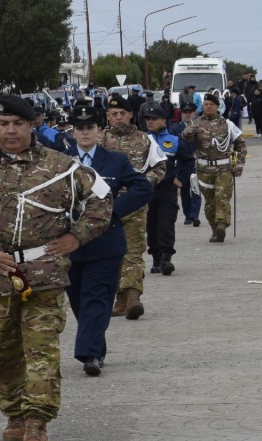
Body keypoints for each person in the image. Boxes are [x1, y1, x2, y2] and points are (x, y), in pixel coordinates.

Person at [0, 95, 112, 441]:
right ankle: (15, 411)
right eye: (3, 124)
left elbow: (102, 201)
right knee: (2, 351)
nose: (10, 131)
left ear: (32, 125)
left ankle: (38, 420)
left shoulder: (62, 166)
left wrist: (76, 237)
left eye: (18, 124)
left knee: (41, 349)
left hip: (44, 276)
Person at [63, 103, 153, 376]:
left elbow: (143, 188)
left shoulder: (115, 160)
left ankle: (90, 354)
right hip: (70, 243)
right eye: (80, 128)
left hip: (105, 243)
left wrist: (112, 212)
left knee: (97, 298)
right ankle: (96, 348)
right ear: (73, 132)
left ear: (99, 130)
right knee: (79, 302)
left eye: (90, 127)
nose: (85, 132)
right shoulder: (59, 161)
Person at [101, 92, 166, 319]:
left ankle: (132, 298)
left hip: (134, 205)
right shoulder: (100, 141)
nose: (118, 117)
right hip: (105, 206)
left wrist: (142, 185)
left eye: (122, 113)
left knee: (134, 252)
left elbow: (160, 167)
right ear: (108, 116)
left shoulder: (145, 139)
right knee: (112, 255)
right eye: (114, 114)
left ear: (130, 115)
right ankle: (120, 299)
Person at [180, 93, 246, 242]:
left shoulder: (227, 124)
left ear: (217, 106)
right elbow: (184, 137)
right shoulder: (197, 124)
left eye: (211, 104)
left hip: (223, 168)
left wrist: (239, 164)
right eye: (206, 104)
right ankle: (215, 230)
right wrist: (190, 131)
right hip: (204, 170)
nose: (208, 107)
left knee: (222, 197)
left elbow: (240, 144)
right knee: (210, 203)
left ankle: (222, 224)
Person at [142, 104, 183, 276]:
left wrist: (181, 179)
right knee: (151, 224)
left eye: (154, 119)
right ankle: (156, 258)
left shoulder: (174, 140)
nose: (150, 122)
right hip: (147, 189)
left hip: (167, 189)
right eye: (148, 119)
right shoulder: (141, 140)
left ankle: (166, 257)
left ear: (163, 121)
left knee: (166, 223)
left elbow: (187, 160)